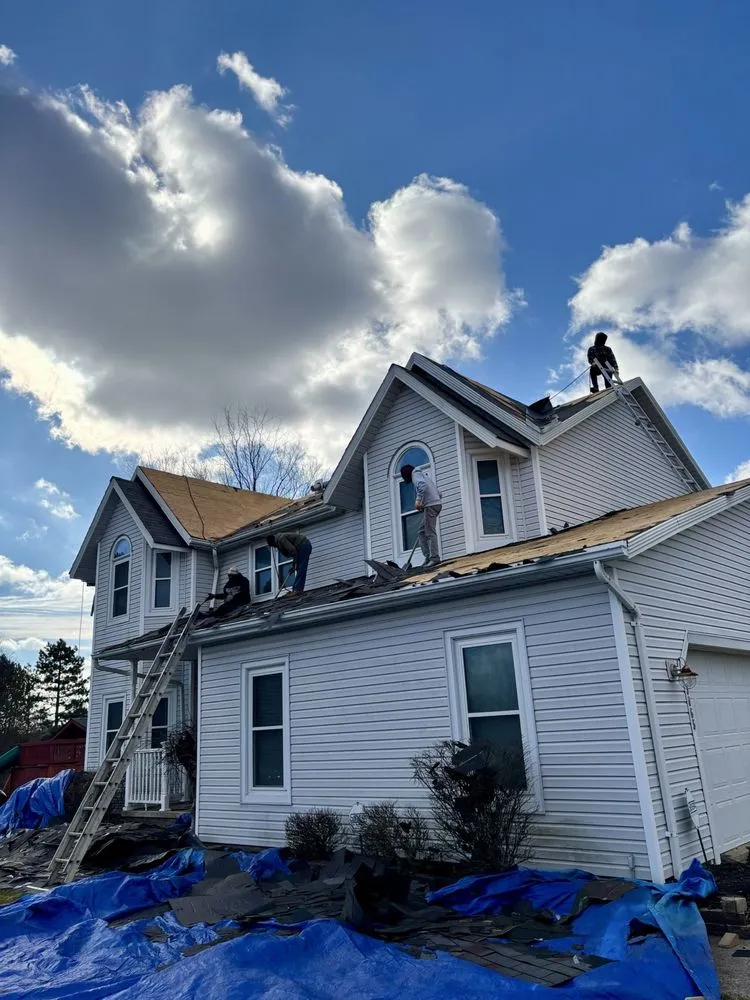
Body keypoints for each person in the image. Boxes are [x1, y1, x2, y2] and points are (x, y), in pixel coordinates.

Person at [400, 464, 442, 567]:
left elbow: (422, 485)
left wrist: (418, 501)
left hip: (431, 506)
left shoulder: (416, 474)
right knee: (421, 531)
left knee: (430, 532)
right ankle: (428, 557)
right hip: (434, 504)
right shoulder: (423, 475)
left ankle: (434, 558)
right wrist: (425, 503)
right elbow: (438, 493)